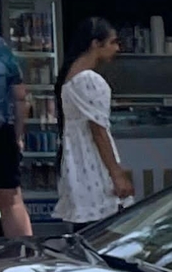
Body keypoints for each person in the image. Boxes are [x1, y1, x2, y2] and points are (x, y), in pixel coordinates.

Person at [54, 17, 133, 231]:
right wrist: (116, 173)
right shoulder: (89, 80)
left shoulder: (69, 77)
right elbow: (98, 131)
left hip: (76, 163)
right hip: (94, 166)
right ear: (95, 44)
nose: (117, 48)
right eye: (113, 42)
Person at [0, 21, 29, 239]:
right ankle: (24, 256)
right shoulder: (1, 49)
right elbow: (20, 97)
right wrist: (17, 136)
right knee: (11, 201)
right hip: (0, 132)